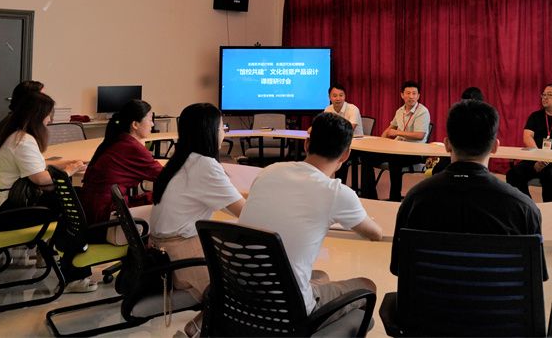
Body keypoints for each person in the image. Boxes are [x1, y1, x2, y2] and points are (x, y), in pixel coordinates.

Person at [240, 112, 383, 325]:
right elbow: (375, 234)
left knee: (321, 276)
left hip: (239, 296)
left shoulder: (268, 172)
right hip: (288, 309)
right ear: (345, 155)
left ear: (306, 144)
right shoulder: (336, 192)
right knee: (367, 286)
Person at [391, 100, 544, 275]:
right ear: (495, 147)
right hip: (495, 292)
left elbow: (398, 268)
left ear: (447, 144)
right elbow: (535, 276)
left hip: (430, 292)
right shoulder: (524, 208)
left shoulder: (414, 200)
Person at [150, 103, 245, 338]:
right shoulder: (204, 165)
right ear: (209, 130)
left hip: (162, 250)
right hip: (183, 257)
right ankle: (202, 328)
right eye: (222, 126)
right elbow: (244, 211)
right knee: (249, 285)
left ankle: (198, 327)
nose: (224, 132)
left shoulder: (182, 160)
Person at [0, 91, 83, 213]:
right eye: (48, 115)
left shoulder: (17, 135)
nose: (49, 119)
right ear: (37, 116)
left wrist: (67, 163)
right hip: (8, 204)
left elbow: (35, 165)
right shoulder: (23, 141)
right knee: (76, 197)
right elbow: (40, 179)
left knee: (73, 194)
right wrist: (69, 171)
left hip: (5, 197)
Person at [80, 100, 164, 224]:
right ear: (135, 124)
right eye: (150, 119)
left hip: (91, 211)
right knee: (165, 199)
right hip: (106, 216)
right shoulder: (131, 147)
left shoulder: (117, 140)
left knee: (154, 196)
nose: (152, 124)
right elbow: (165, 176)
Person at [506, 84, 552, 202]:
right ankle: (527, 205)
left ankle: (550, 210)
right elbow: (527, 137)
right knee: (513, 174)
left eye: (549, 95)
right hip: (535, 159)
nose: (545, 97)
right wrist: (538, 158)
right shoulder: (535, 116)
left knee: (551, 177)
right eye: (543, 95)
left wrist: (546, 160)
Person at [360, 80, 431, 201]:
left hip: (415, 152)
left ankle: (394, 198)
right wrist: (381, 140)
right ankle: (369, 195)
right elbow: (391, 127)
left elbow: (420, 135)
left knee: (394, 160)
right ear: (402, 95)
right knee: (367, 157)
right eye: (408, 93)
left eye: (414, 93)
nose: (411, 96)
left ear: (418, 96)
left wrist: (397, 133)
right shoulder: (400, 111)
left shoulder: (422, 111)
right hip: (397, 149)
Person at [0, 80, 45, 168]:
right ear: (30, 101)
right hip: (3, 171)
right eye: (43, 98)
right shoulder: (17, 124)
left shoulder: (14, 119)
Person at [325, 83, 364, 185]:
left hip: (356, 145)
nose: (338, 98)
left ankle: (340, 186)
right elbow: (324, 128)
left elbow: (349, 129)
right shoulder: (328, 109)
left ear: (345, 96)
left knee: (340, 156)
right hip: (337, 144)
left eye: (341, 95)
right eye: (334, 95)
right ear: (329, 97)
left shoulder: (353, 109)